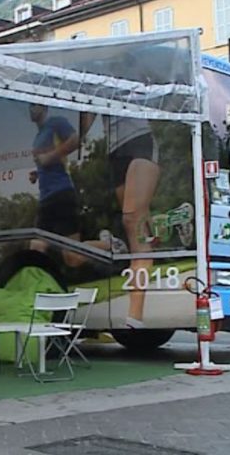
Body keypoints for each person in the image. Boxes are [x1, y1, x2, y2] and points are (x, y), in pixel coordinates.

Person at [81, 113, 160, 329]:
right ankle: (164, 227)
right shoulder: (94, 79)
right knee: (136, 218)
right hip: (114, 148)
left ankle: (135, 316)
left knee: (132, 221)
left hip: (139, 138)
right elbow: (85, 122)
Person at [27, 104, 82, 266]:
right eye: (29, 106)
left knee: (73, 257)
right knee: (36, 248)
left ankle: (110, 245)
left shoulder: (56, 123)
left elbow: (75, 140)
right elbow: (47, 163)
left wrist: (49, 157)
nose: (30, 109)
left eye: (34, 106)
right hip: (45, 198)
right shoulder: (38, 137)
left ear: (43, 107)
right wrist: (36, 174)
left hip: (61, 193)